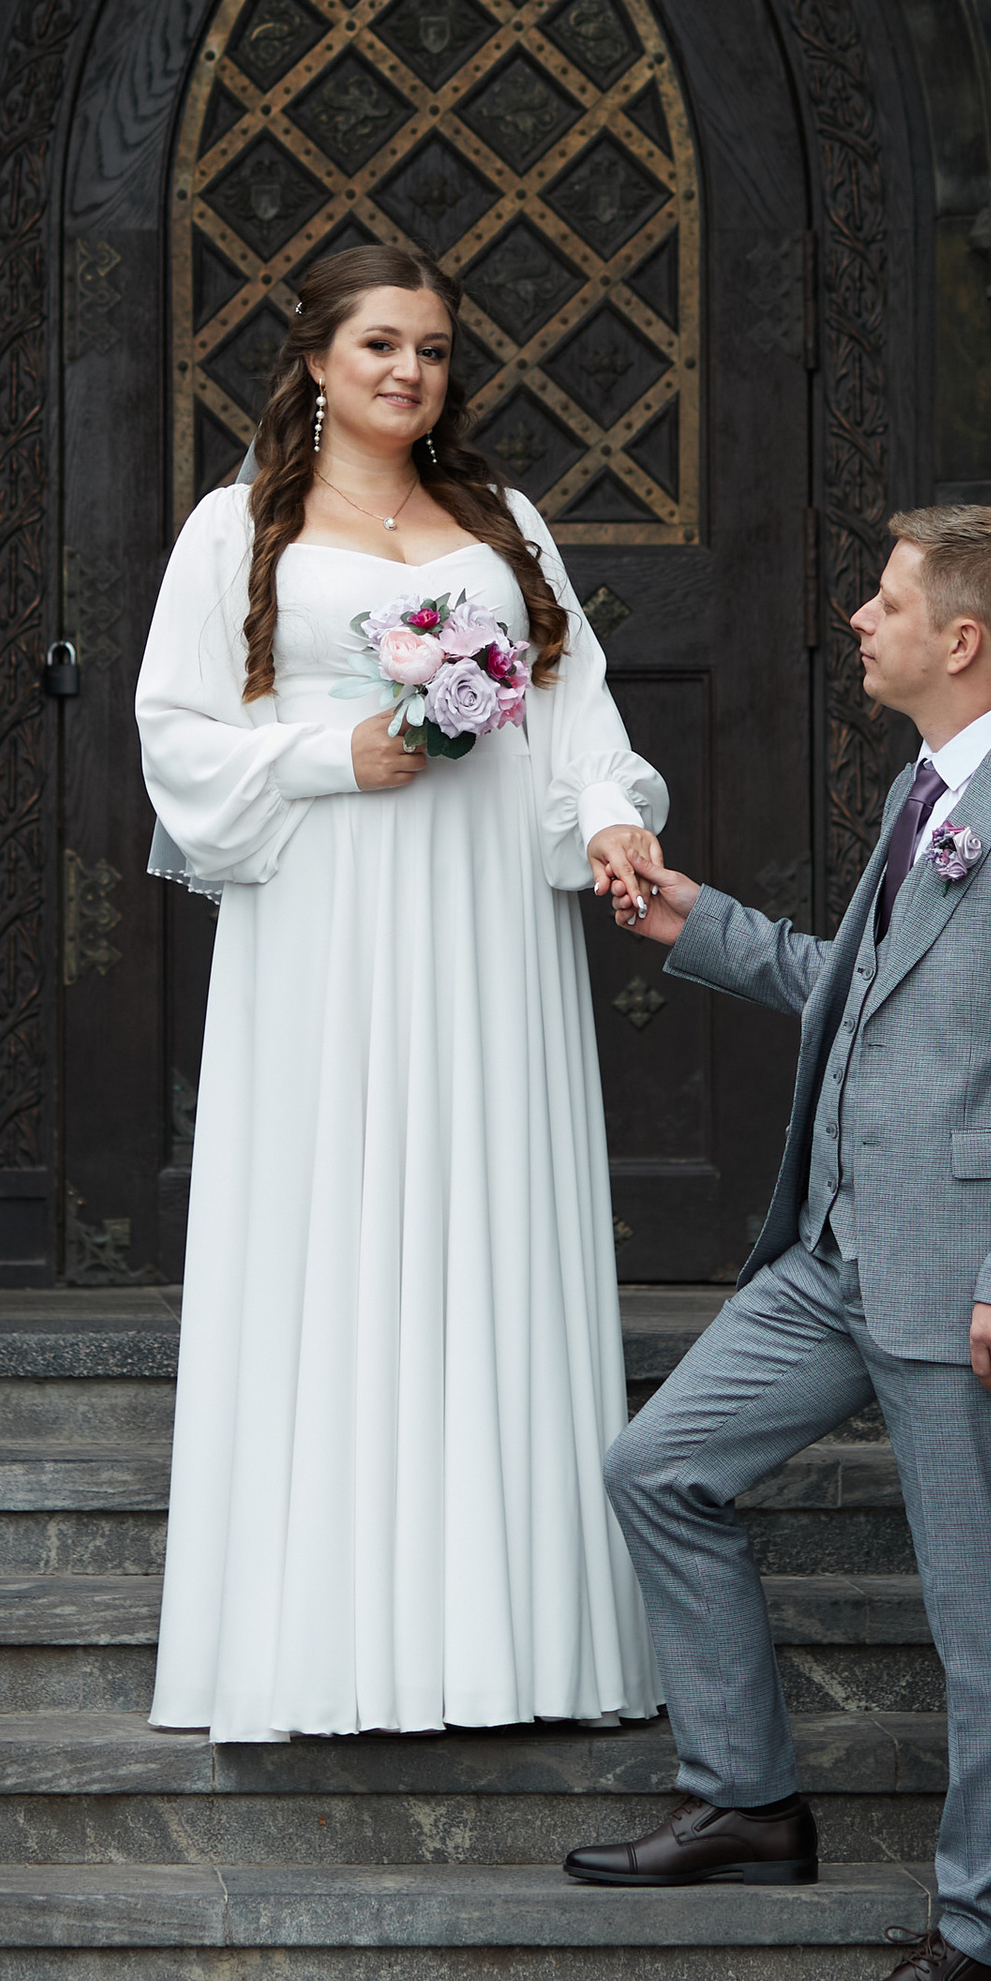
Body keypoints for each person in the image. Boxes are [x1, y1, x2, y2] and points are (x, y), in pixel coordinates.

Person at [565, 505, 991, 1981]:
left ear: (962, 640)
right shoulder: (926, 785)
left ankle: (987, 1943)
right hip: (832, 1252)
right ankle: (747, 1798)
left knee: (986, 1619)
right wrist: (708, 928)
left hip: (967, 1284)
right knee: (659, 1467)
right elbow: (869, 994)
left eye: (886, 601)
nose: (858, 619)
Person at [137, 239, 667, 1743]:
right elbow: (173, 734)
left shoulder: (502, 526)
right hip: (326, 917)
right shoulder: (234, 528)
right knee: (334, 1229)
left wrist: (615, 818)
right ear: (314, 357)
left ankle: (518, 1648)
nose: (407, 373)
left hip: (487, 918)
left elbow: (577, 712)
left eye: (431, 350)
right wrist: (331, 754)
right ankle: (318, 1647)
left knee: (486, 1221)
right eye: (379, 344)